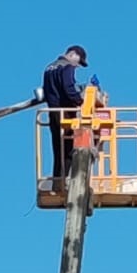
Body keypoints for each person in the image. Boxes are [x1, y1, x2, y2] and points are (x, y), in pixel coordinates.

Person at [41, 45, 90, 188]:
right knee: (69, 148)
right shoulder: (67, 67)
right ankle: (66, 181)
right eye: (78, 61)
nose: (78, 66)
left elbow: (47, 91)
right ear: (72, 54)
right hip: (66, 112)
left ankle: (57, 182)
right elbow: (68, 88)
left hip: (52, 112)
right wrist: (80, 100)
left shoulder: (49, 67)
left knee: (57, 148)